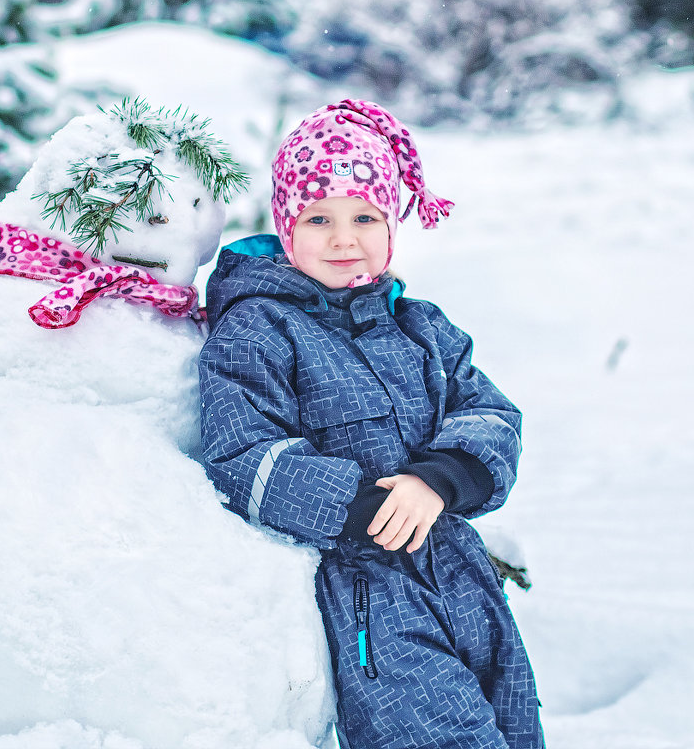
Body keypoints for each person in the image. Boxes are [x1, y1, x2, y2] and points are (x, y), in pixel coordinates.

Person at [198, 99, 544, 748]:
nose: (342, 237)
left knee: (513, 727)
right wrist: (363, 506)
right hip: (367, 589)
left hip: (459, 568)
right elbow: (243, 452)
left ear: (392, 225)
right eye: (318, 217)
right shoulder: (260, 328)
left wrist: (440, 479)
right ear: (286, 225)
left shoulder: (420, 325)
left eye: (364, 216)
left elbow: (491, 412)